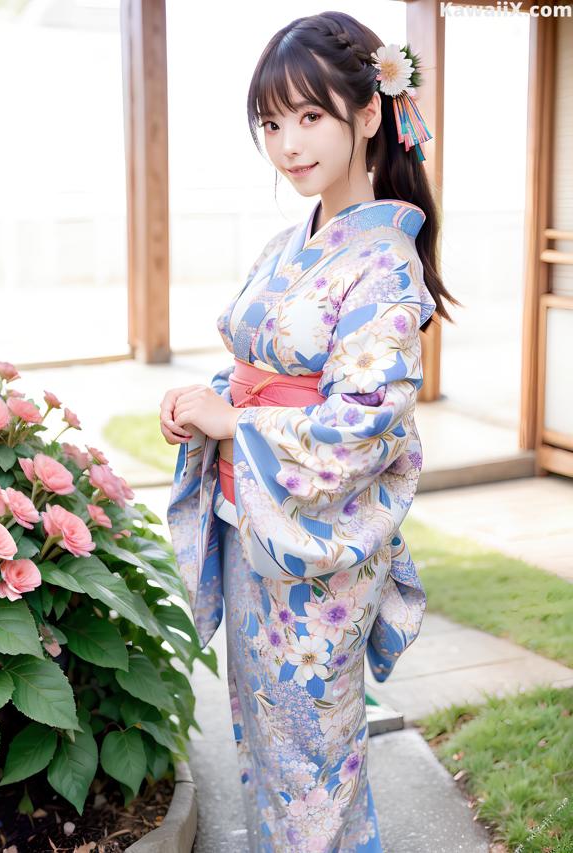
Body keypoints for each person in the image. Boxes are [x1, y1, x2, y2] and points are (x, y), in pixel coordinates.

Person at [161, 11, 461, 852]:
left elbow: (359, 424)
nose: (288, 143)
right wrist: (206, 400)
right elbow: (256, 365)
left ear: (370, 114)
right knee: (268, 753)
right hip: (254, 526)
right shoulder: (287, 243)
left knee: (313, 765)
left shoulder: (386, 264)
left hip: (315, 556)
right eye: (271, 121)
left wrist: (237, 418)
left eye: (310, 116)